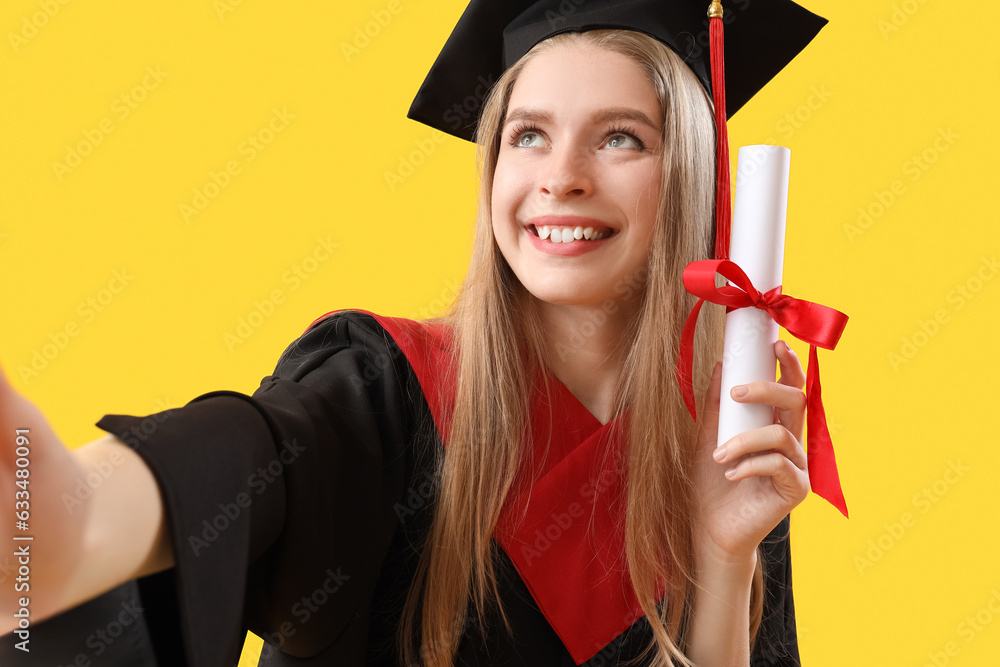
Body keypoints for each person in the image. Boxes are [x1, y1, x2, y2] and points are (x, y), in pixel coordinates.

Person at [1, 1, 831, 665]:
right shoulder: (385, 391)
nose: (561, 177)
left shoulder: (728, 434)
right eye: (527, 135)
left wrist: (724, 559)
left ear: (692, 175)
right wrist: (71, 523)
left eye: (620, 138)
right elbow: (246, 458)